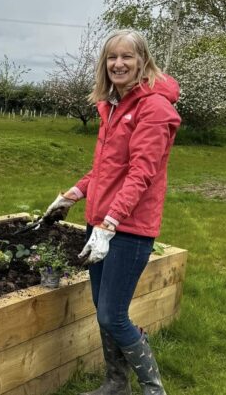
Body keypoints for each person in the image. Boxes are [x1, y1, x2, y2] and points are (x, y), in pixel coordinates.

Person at [44, 29, 180, 395]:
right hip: (100, 225)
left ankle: (154, 390)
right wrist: (71, 195)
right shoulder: (113, 106)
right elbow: (105, 169)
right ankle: (116, 384)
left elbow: (141, 174)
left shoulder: (154, 108)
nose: (118, 64)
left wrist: (110, 223)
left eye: (127, 57)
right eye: (111, 57)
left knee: (112, 315)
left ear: (142, 62)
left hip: (129, 229)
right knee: (101, 308)